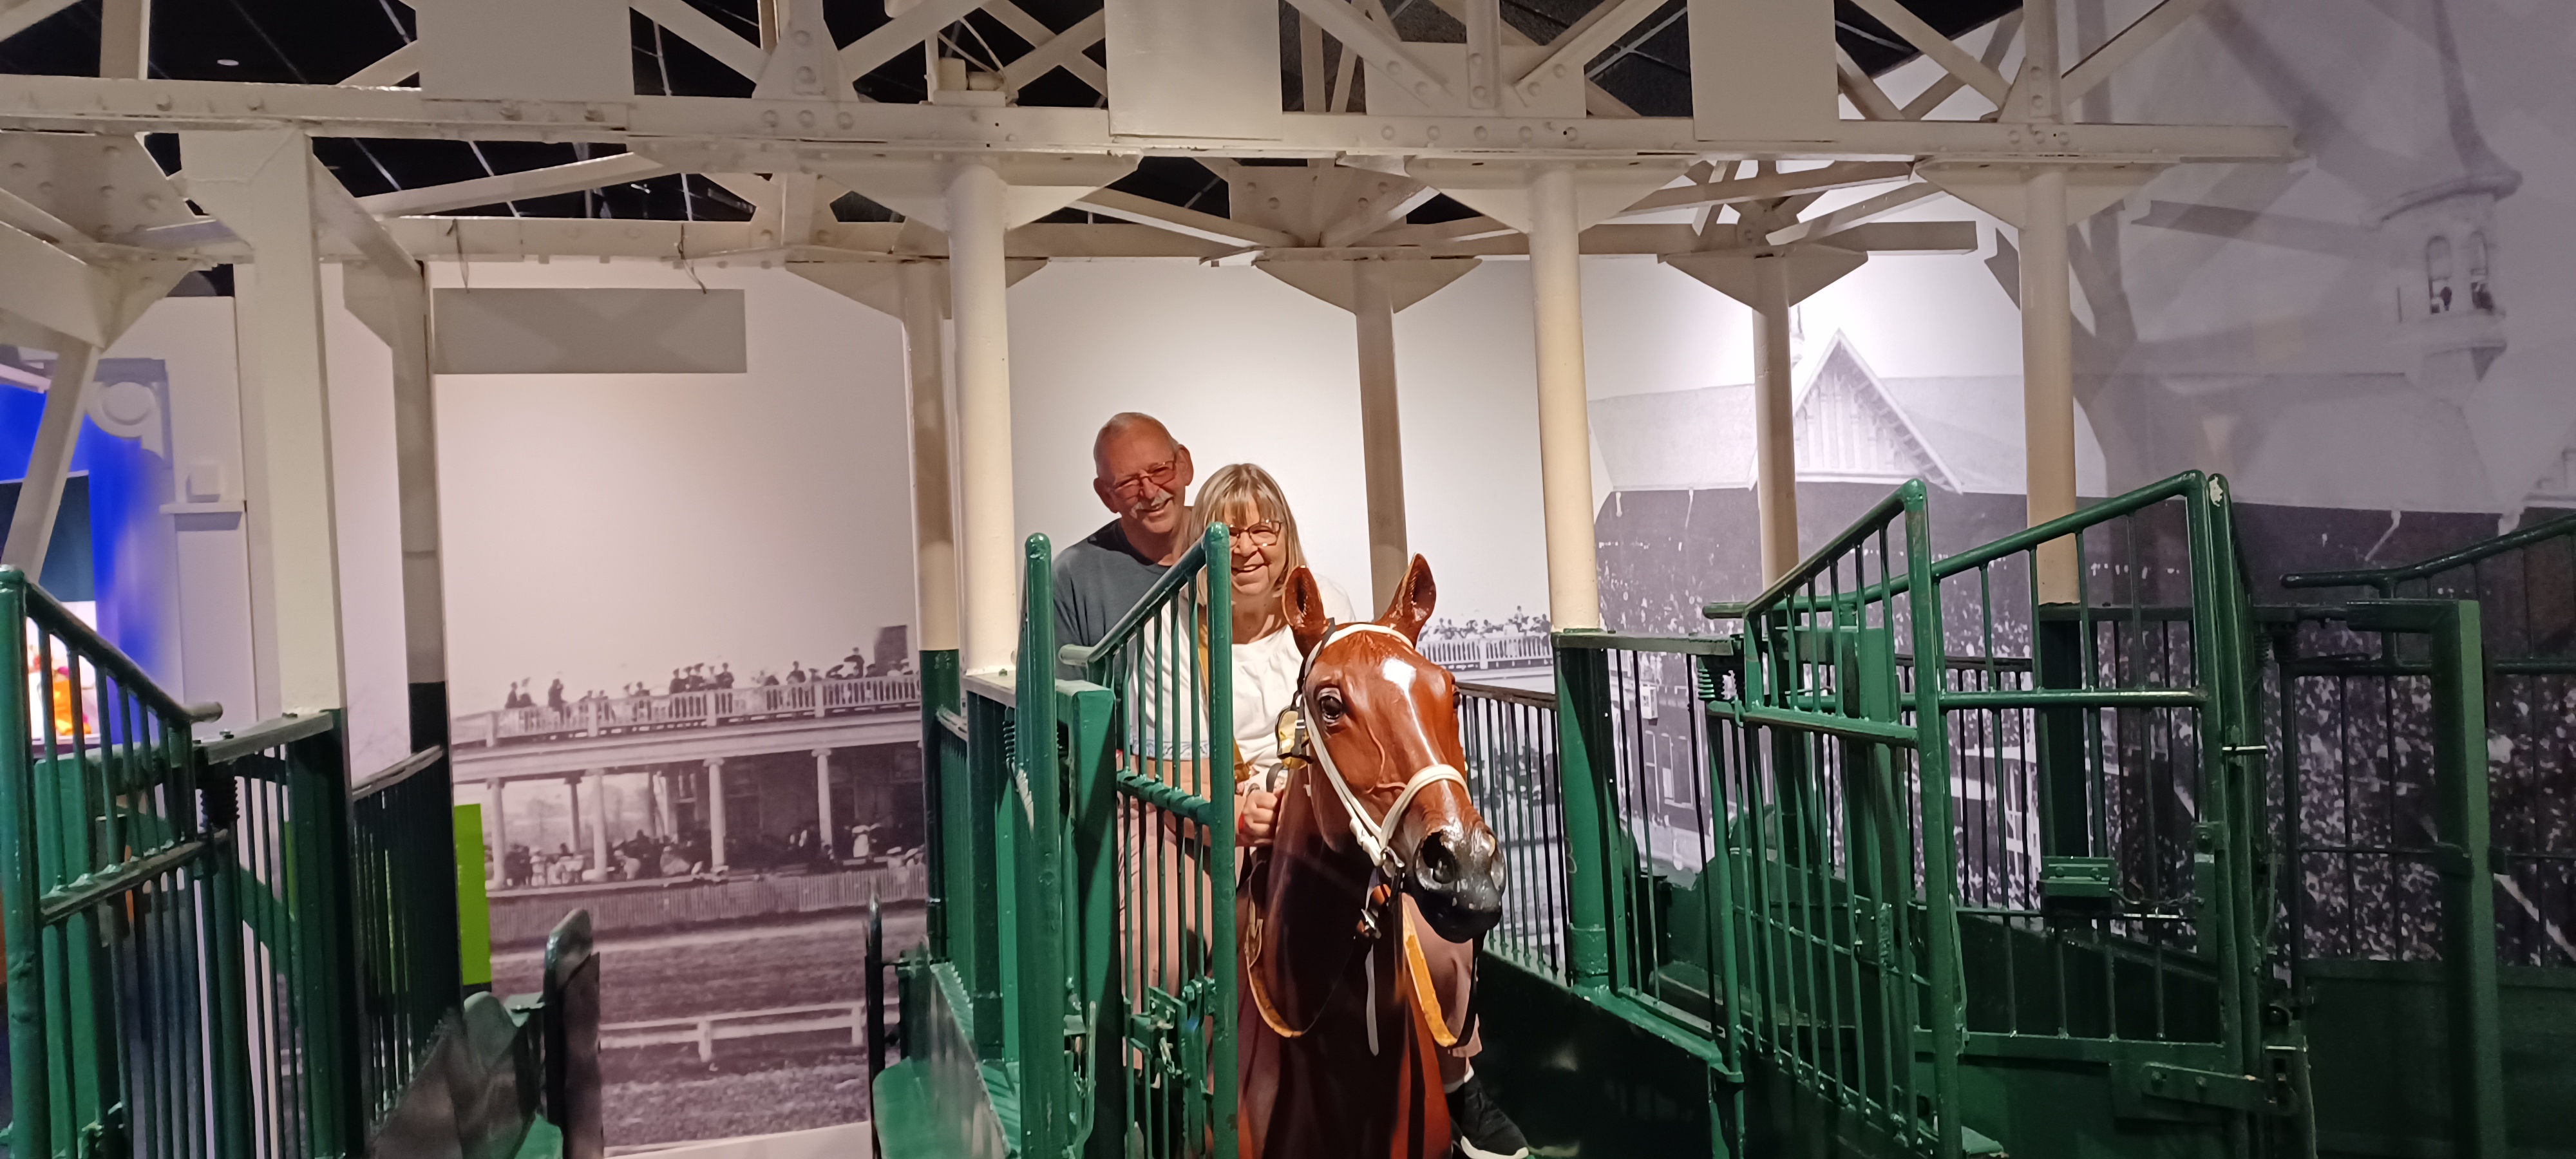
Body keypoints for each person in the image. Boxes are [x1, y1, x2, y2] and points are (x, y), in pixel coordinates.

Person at [1194, 464, 1530, 1159]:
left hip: (1329, 807)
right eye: (1231, 531)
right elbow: (1169, 759)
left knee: (1437, 938)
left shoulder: (1327, 606)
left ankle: (1456, 1075)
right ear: (1207, 542)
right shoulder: (1183, 641)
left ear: (1285, 535)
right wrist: (1234, 809)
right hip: (1235, 817)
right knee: (1188, 941)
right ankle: (1193, 1082)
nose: (1249, 547)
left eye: (1264, 529)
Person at [1054, 413, 1195, 669]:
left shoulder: (1239, 546)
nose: (1150, 492)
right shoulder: (1073, 576)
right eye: (1128, 483)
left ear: (1185, 465)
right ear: (1106, 496)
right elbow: (1061, 687)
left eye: (1159, 471)